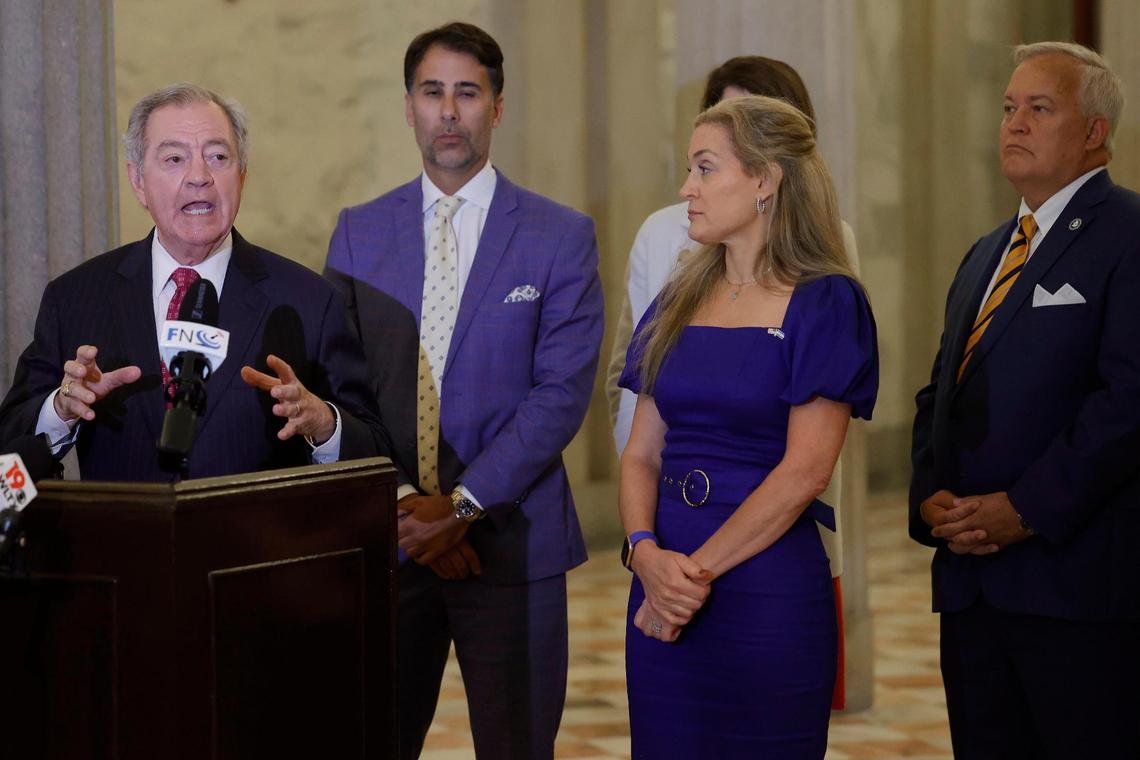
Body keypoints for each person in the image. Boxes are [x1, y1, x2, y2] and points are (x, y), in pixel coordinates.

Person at [323, 22, 603, 760]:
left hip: (513, 548)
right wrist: (410, 511)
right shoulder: (357, 233)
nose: (449, 112)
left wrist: (463, 508)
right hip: (391, 544)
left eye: (468, 93)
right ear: (409, 106)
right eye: (432, 92)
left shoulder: (559, 236)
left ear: (497, 107)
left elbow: (559, 395)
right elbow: (341, 389)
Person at [618, 96, 878, 758]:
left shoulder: (827, 301)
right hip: (660, 579)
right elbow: (641, 453)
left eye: (705, 169)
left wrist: (689, 579)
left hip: (766, 591)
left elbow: (807, 471)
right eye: (688, 169)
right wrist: (645, 555)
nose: (686, 189)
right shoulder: (675, 299)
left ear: (765, 180)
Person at [910, 41, 1140, 758]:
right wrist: (929, 495)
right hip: (972, 587)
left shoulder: (1129, 233)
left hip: (1077, 589)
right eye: (1009, 108)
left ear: (1094, 132)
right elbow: (939, 389)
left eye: (1039, 109)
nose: (1014, 123)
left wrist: (1027, 510)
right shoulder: (987, 250)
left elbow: (1128, 400)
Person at [0, 84, 387, 480]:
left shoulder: (308, 300)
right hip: (120, 537)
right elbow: (8, 444)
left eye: (218, 157)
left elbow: (375, 451)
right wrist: (61, 410)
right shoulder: (75, 298)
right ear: (137, 181)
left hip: (255, 539)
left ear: (243, 175)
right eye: (174, 158)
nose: (199, 176)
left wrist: (324, 424)